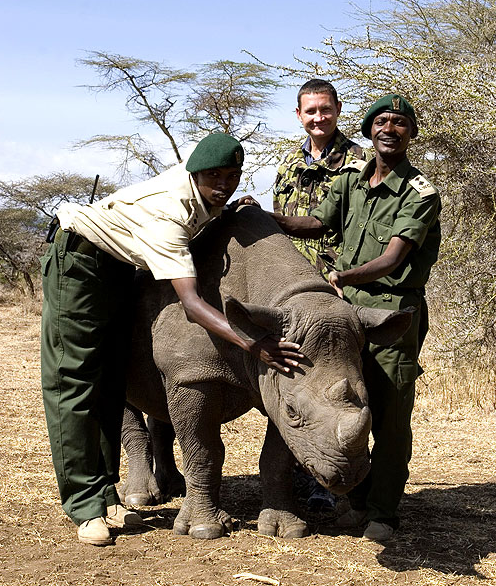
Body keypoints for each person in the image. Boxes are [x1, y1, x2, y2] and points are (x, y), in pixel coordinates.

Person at [41, 133, 303, 547]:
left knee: (112, 379)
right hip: (82, 261)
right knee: (74, 381)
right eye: (213, 175)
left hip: (124, 266)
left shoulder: (205, 200)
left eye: (232, 175)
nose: (224, 183)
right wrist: (254, 344)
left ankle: (106, 491)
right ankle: (84, 504)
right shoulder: (170, 213)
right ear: (192, 173)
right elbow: (193, 305)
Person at [270, 94, 441, 541]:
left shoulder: (420, 193)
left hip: (390, 315)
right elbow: (318, 223)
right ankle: (357, 500)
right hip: (345, 316)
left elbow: (392, 259)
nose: (390, 128)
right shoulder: (350, 180)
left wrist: (340, 275)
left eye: (400, 122)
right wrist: (268, 220)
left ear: (411, 133)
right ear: (369, 130)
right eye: (381, 121)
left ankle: (382, 511)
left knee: (387, 413)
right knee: (346, 403)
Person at [273, 78, 369, 281]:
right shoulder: (289, 163)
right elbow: (280, 219)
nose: (319, 118)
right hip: (292, 279)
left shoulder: (361, 163)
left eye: (325, 110)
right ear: (299, 114)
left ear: (338, 109)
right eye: (310, 111)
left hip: (338, 280)